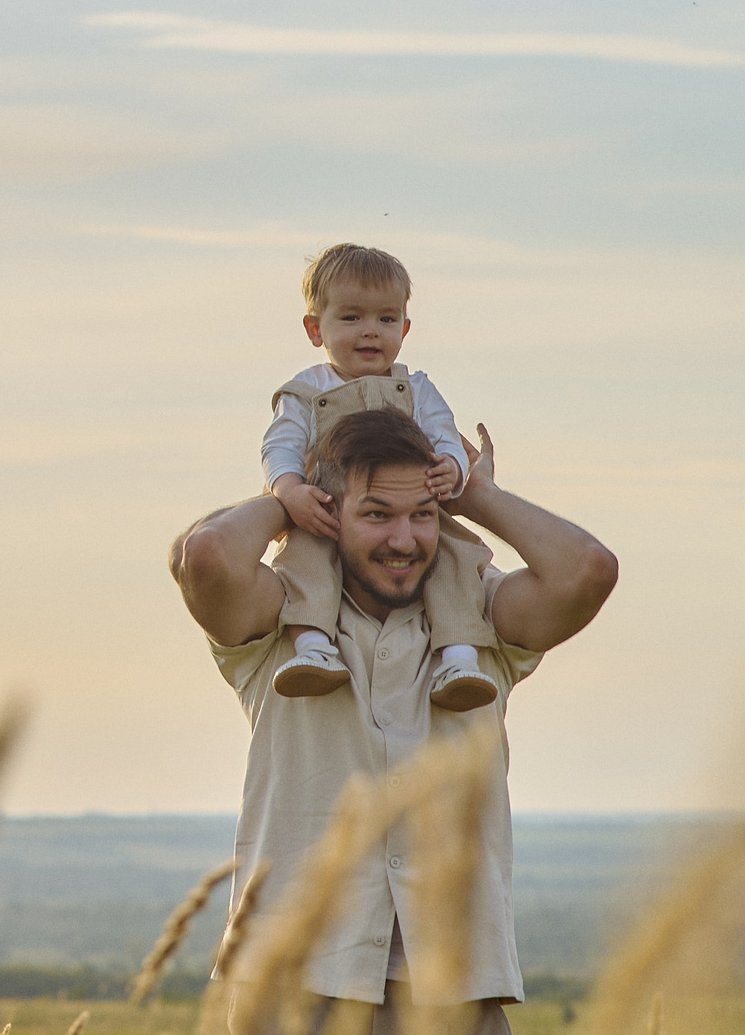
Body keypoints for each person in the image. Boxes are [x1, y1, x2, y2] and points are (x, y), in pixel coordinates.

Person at [170, 406, 617, 1035]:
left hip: (452, 990)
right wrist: (287, 493)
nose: (404, 540)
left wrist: (478, 495)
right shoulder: (281, 626)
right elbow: (207, 556)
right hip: (295, 984)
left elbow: (589, 571)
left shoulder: (479, 622)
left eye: (423, 516)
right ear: (328, 516)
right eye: (377, 514)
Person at [264, 244, 496, 710]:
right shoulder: (306, 393)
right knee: (303, 560)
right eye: (351, 318)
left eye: (386, 320)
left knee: (455, 560)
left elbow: (443, 431)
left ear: (405, 329)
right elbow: (280, 447)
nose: (371, 331)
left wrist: (451, 464)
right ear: (316, 329)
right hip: (328, 510)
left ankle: (458, 655)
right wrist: (289, 491)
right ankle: (312, 647)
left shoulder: (416, 388)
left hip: (411, 507)